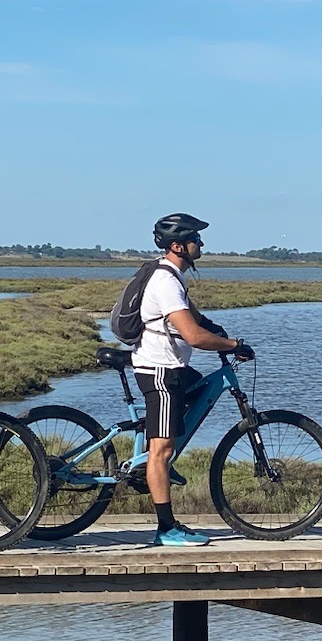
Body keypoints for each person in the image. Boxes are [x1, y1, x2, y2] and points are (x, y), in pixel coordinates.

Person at [133, 213, 249, 547]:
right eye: (195, 239)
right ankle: (166, 528)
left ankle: (157, 455)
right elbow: (193, 336)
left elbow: (193, 317)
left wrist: (216, 328)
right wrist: (232, 345)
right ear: (177, 245)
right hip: (161, 370)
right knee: (162, 450)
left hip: (174, 368)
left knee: (197, 394)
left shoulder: (172, 274)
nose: (201, 244)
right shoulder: (166, 281)